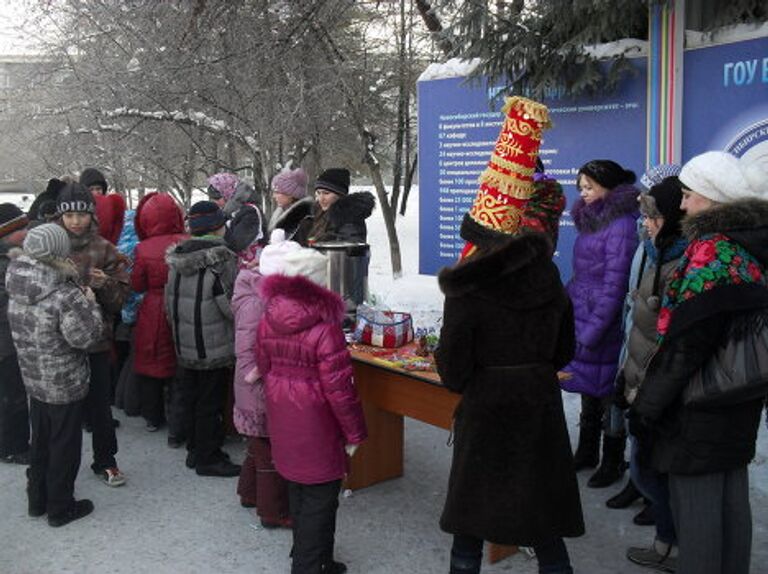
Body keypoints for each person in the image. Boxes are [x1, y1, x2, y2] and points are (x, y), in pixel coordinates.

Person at [437, 96, 583, 574]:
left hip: (487, 410)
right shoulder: (551, 281)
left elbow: (454, 371)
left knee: (469, 529)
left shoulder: (467, 291)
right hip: (538, 405)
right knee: (543, 525)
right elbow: (565, 351)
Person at [632, 151, 768, 574]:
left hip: (700, 403)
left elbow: (685, 346)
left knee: (699, 516)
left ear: (710, 199)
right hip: (739, 396)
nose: (684, 205)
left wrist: (647, 407)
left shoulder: (713, 255)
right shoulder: (751, 246)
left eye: (690, 196)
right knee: (731, 503)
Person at [256, 245, 367, 574]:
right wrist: (355, 433)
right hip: (318, 423)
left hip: (284, 416)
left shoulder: (268, 319)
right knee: (321, 498)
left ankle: (320, 559)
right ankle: (306, 565)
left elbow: (264, 367)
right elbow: (341, 391)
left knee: (299, 488)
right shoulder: (326, 330)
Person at [612, 177, 687, 571]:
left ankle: (676, 544)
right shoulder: (656, 252)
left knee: (656, 469)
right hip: (640, 377)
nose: (647, 223)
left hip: (661, 386)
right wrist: (626, 375)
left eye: (653, 215)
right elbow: (639, 321)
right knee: (644, 467)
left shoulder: (683, 261)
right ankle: (666, 540)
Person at [6, 223, 103, 527]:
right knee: (65, 444)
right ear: (59, 252)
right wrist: (91, 305)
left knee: (41, 440)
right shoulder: (63, 292)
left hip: (33, 377)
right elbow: (87, 337)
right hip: (64, 381)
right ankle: (61, 507)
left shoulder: (16, 281)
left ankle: (37, 499)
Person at [562, 159, 640, 488]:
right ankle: (587, 450)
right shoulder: (592, 220)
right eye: (581, 187)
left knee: (608, 390)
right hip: (584, 312)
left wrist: (594, 328)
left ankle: (612, 459)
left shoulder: (621, 224)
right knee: (587, 385)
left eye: (589, 186)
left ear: (608, 186)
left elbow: (615, 285)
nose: (584, 192)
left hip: (604, 321)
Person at [57, 183, 130, 487]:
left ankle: (106, 460)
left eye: (81, 214)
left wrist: (105, 285)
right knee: (63, 411)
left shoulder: (104, 248)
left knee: (100, 404)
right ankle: (58, 469)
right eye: (69, 215)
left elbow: (122, 298)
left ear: (91, 216)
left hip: (97, 340)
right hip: (58, 343)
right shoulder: (49, 247)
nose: (75, 221)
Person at [165, 200, 240, 477]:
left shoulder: (177, 258)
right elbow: (230, 305)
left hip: (185, 342)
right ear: (218, 226)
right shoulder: (221, 260)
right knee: (211, 401)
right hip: (213, 344)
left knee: (194, 397)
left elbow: (168, 302)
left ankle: (196, 450)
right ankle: (208, 457)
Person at [231, 230, 296, 529]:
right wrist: (258, 373)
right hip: (257, 385)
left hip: (252, 384)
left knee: (257, 444)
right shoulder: (259, 303)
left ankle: (248, 493)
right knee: (269, 451)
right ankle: (273, 511)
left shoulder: (257, 292)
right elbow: (249, 347)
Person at [131, 192, 187, 432]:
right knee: (179, 362)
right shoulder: (187, 240)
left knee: (151, 359)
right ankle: (178, 420)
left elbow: (137, 284)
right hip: (182, 303)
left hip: (153, 307)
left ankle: (153, 416)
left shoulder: (143, 248)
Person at [0, 204, 30, 464]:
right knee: (13, 395)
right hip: (6, 341)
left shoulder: (11, 258)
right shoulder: (6, 263)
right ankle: (14, 447)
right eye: (21, 228)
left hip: (9, 337)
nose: (27, 231)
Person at [293, 168, 375, 246]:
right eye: (318, 193)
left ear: (340, 195)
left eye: (326, 193)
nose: (321, 198)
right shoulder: (314, 215)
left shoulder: (349, 218)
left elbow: (346, 254)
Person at [80, 168, 126, 245]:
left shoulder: (111, 207)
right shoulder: (78, 209)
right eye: (91, 189)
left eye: (98, 189)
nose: (95, 193)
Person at [267, 167, 314, 239]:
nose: (274, 196)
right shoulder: (282, 213)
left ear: (291, 194)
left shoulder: (301, 218)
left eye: (277, 192)